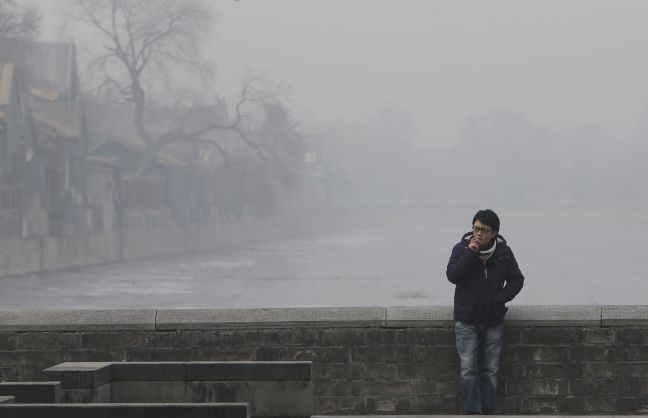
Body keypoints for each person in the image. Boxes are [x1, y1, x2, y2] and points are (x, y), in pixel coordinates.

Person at [446, 209, 524, 414]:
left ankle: (487, 411)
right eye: (476, 228)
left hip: (493, 321)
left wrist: (498, 301)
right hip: (466, 321)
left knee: (491, 371)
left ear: (494, 233)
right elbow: (453, 276)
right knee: (467, 371)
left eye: (484, 230)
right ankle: (474, 413)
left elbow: (517, 280)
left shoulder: (503, 253)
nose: (478, 233)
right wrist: (469, 254)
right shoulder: (460, 249)